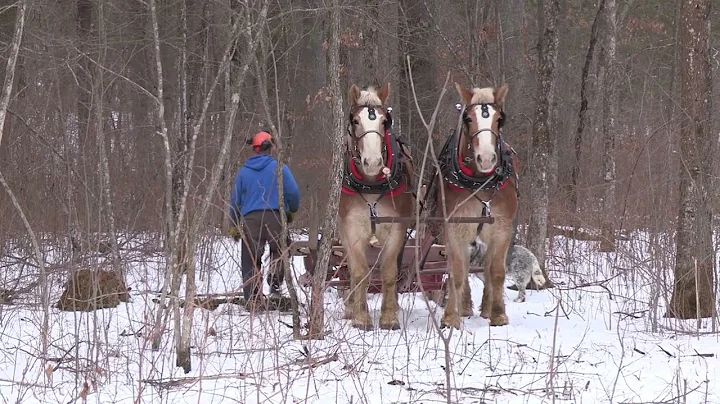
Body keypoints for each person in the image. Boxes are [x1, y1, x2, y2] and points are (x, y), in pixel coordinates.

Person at [229, 131, 300, 311]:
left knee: (250, 258)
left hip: (250, 220)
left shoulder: (243, 173)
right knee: (280, 251)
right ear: (270, 148)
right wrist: (290, 211)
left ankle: (253, 299)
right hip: (275, 217)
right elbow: (293, 193)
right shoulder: (279, 168)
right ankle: (275, 287)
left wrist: (233, 224)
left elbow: (235, 201)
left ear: (254, 149)